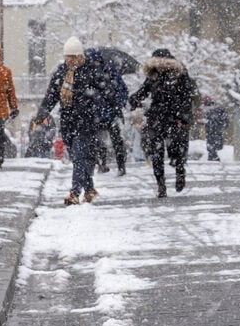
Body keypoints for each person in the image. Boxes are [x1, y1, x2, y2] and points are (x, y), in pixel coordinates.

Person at [35, 37, 105, 205]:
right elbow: (51, 95)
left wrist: (94, 109)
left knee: (80, 156)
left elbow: (102, 96)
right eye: (67, 56)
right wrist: (42, 113)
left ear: (81, 56)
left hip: (87, 122)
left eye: (73, 56)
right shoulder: (61, 73)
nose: (70, 60)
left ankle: (75, 193)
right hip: (68, 122)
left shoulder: (92, 72)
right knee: (77, 157)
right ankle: (89, 189)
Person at [129, 48, 196, 198]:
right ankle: (161, 184)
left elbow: (186, 97)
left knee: (175, 149)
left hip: (173, 117)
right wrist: (134, 99)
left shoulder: (179, 75)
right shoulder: (154, 76)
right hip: (157, 117)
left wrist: (182, 117)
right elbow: (143, 91)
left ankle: (179, 172)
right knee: (157, 152)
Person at [85, 48, 129, 176]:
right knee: (98, 141)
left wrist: (118, 103)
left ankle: (120, 165)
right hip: (97, 113)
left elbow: (123, 90)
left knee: (115, 140)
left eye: (97, 60)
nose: (96, 63)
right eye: (93, 61)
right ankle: (102, 164)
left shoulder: (110, 71)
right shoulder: (88, 74)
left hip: (110, 113)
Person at [202, 95, 228, 161]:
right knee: (213, 144)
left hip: (213, 129)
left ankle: (213, 157)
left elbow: (211, 119)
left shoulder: (212, 110)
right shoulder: (214, 109)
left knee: (212, 143)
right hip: (214, 129)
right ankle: (213, 156)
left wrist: (207, 121)